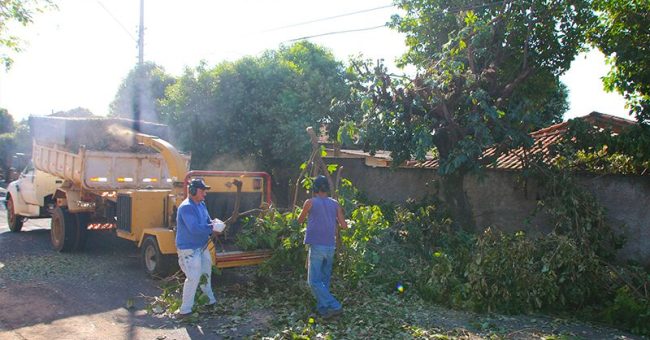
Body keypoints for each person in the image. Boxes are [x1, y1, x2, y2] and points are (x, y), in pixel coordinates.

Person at [297, 175, 348, 318]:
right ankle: (323, 310)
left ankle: (335, 305)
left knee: (313, 281)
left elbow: (299, 221)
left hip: (317, 246)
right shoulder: (335, 203)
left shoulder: (310, 202)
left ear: (314, 188)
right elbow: (344, 226)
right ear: (327, 188)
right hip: (330, 247)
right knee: (324, 281)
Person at [175, 178, 218, 318]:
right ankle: (185, 310)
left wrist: (215, 224)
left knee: (206, 273)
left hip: (202, 246)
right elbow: (194, 228)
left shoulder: (201, 204)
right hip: (189, 249)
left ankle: (209, 301)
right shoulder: (186, 207)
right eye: (202, 191)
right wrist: (212, 228)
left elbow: (207, 222)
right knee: (193, 277)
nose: (204, 194)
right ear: (192, 191)